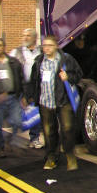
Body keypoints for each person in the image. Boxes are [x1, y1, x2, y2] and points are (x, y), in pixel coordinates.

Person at [27, 35, 83, 171]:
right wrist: (31, 96)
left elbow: (79, 74)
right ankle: (52, 157)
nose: (46, 48)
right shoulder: (39, 61)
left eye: (49, 45)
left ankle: (70, 156)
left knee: (68, 129)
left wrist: (68, 77)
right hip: (45, 101)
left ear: (56, 46)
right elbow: (34, 80)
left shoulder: (66, 59)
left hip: (63, 100)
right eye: (44, 45)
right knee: (48, 131)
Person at [0, 38, 25, 158]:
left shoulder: (13, 62)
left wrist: (23, 95)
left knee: (17, 121)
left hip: (13, 96)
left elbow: (21, 78)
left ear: (4, 47)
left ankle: (10, 140)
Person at [11, 28, 43, 148]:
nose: (25, 37)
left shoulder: (41, 51)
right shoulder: (16, 52)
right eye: (24, 35)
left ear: (34, 38)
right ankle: (12, 139)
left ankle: (34, 138)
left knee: (35, 113)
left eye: (28, 35)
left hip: (36, 86)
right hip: (21, 86)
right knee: (17, 115)